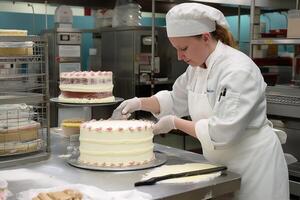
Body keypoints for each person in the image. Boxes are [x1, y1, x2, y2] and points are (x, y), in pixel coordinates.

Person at [111, 3, 289, 200]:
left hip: (253, 166)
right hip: (220, 164)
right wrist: (138, 103)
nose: (180, 56)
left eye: (184, 48)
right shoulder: (196, 69)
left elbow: (222, 132)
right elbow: (174, 99)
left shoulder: (238, 70)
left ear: (205, 37)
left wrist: (173, 123)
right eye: (176, 49)